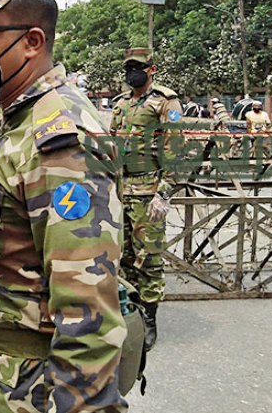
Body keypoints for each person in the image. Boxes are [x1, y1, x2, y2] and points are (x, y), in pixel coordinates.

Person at [0, 0, 127, 412]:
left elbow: (88, 310)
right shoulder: (21, 120)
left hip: (32, 389)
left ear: (32, 42)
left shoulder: (60, 139)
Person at [110, 47, 183, 351]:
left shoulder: (165, 102)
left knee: (149, 259)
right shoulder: (121, 103)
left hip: (148, 191)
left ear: (152, 69)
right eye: (128, 68)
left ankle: (150, 319)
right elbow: (109, 142)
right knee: (124, 256)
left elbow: (177, 149)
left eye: (137, 67)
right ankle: (131, 316)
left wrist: (164, 193)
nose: (131, 73)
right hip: (120, 189)